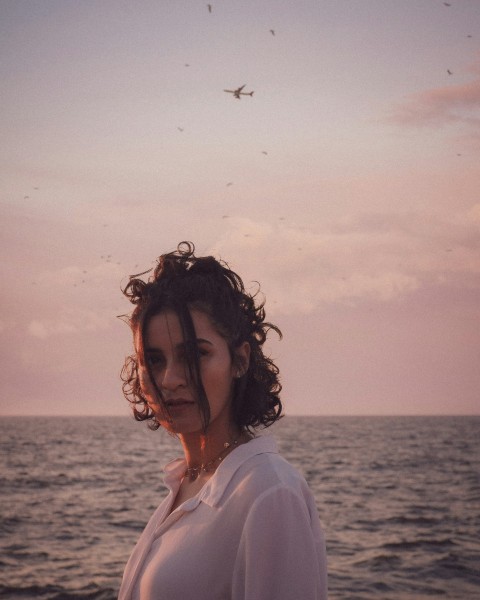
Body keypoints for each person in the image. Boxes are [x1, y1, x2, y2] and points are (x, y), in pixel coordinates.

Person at [118, 242, 328, 600]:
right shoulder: (188, 481)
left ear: (240, 360)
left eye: (195, 354)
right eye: (152, 360)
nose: (169, 379)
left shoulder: (268, 492)